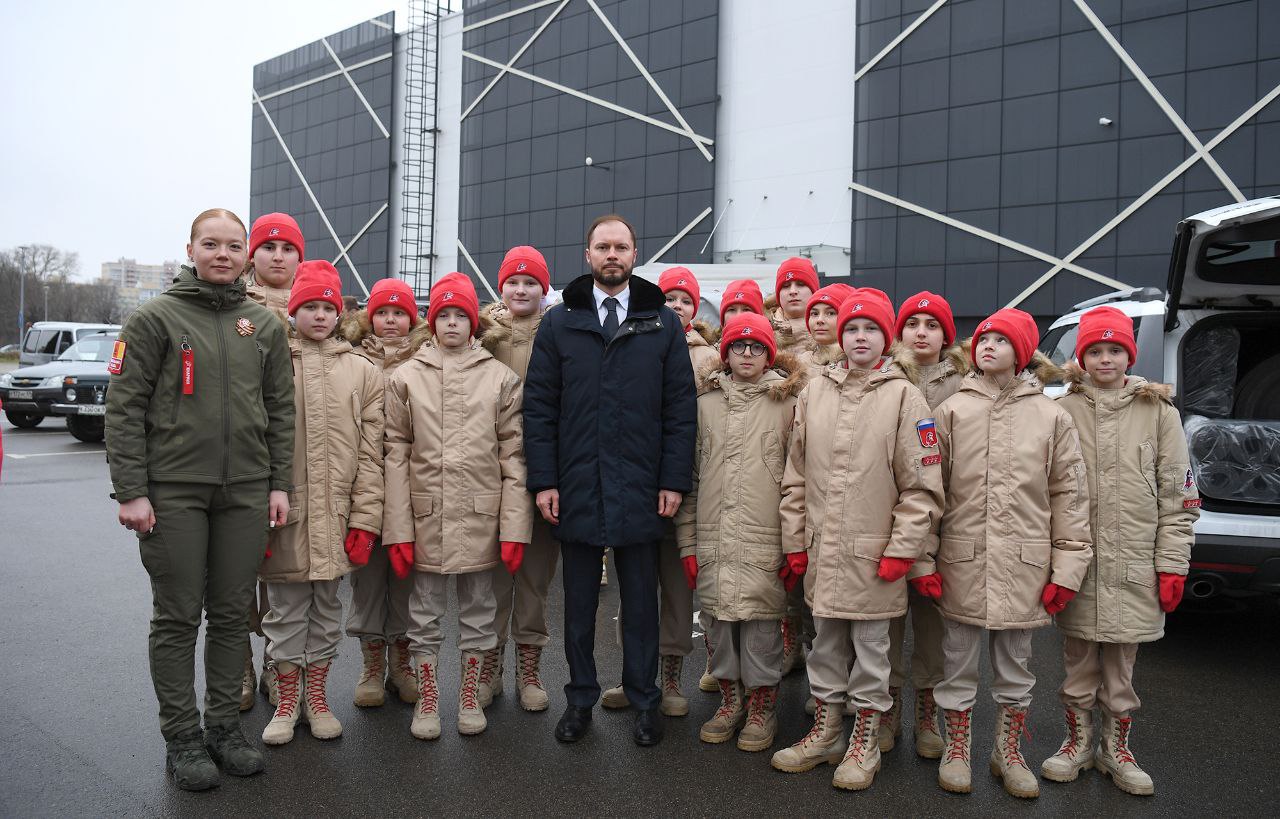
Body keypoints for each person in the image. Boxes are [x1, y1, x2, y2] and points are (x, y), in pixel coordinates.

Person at [106, 208, 294, 791]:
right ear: (190, 248)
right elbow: (124, 408)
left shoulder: (262, 325)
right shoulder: (153, 319)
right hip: (173, 493)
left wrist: (278, 482)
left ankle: (223, 730)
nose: (222, 254)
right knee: (178, 615)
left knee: (232, 614)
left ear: (245, 255)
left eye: (233, 246)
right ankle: (183, 739)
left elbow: (280, 412)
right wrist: (132, 491)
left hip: (244, 492)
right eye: (210, 244)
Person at [523, 214, 696, 747]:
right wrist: (545, 481)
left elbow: (680, 409)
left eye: (621, 246)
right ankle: (580, 700)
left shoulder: (661, 323)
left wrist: (673, 480)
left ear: (635, 254)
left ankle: (646, 701)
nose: (612, 254)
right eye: (603, 246)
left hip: (642, 486)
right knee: (578, 604)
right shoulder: (560, 322)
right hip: (576, 483)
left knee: (641, 603)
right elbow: (540, 408)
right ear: (589, 255)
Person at [913, 308, 1093, 799]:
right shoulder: (951, 411)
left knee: (1016, 667)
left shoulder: (1051, 416)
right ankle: (957, 750)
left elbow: (1070, 497)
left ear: (1024, 351)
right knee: (958, 662)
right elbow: (930, 489)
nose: (987, 345)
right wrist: (923, 559)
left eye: (1001, 339)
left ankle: (1007, 751)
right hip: (962, 560)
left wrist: (1068, 567)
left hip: (1024, 565)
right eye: (983, 338)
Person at [770, 289, 944, 791]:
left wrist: (902, 551)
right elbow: (796, 475)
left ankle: (864, 741)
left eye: (870, 328)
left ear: (886, 336)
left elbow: (923, 486)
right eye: (851, 328)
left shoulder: (906, 397)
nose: (859, 337)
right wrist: (796, 541)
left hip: (876, 557)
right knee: (825, 647)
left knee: (872, 654)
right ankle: (825, 733)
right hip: (824, 552)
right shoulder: (814, 392)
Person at [1042, 307, 1198, 796]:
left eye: (1114, 350)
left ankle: (1117, 748)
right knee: (1079, 659)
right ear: (1081, 356)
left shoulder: (1159, 413)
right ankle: (1077, 742)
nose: (1105, 359)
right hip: (1081, 564)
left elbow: (1178, 495)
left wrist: (1172, 563)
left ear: (1129, 355)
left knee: (1121, 665)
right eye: (1095, 350)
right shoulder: (1062, 411)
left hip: (1135, 563)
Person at [382, 272, 532, 740]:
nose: (451, 324)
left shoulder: (501, 378)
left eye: (460, 316)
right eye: (442, 315)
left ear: (473, 322)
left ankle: (470, 695)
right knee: (422, 614)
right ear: (431, 321)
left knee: (479, 612)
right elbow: (395, 454)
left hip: (481, 517)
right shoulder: (406, 377)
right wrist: (397, 529)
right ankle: (428, 699)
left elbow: (514, 456)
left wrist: (514, 528)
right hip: (424, 518)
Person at [259, 261, 385, 746]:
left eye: (326, 307)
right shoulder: (270, 362)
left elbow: (373, 455)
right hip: (283, 514)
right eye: (308, 306)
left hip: (337, 516)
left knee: (326, 609)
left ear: (339, 312)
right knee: (286, 608)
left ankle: (318, 695)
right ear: (293, 311)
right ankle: (286, 699)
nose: (317, 316)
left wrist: (365, 520)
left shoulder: (362, 371)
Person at [677, 313, 805, 752]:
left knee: (761, 630)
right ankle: (730, 700)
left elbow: (800, 479)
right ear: (725, 353)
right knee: (718, 624)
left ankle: (762, 706)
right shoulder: (704, 405)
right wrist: (688, 543)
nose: (746, 354)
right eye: (737, 346)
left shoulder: (788, 404)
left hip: (764, 539)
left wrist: (794, 545)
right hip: (714, 537)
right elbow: (690, 479)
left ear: (769, 353)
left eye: (756, 347)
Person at [601, 266, 718, 716]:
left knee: (675, 589)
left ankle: (670, 680)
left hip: (683, 489)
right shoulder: (635, 337)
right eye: (669, 298)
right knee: (632, 590)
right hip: (634, 485)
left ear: (695, 308)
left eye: (685, 300)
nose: (676, 307)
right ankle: (633, 675)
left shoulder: (709, 359)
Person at [882, 291, 968, 757]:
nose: (921, 332)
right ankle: (887, 708)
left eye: (931, 325)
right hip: (891, 516)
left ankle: (927, 713)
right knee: (888, 619)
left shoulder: (965, 383)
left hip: (949, 516)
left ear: (945, 334)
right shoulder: (886, 376)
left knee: (933, 625)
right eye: (912, 323)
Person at [338, 277, 427, 708]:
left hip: (414, 487)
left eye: (399, 313)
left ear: (411, 318)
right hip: (365, 483)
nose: (390, 321)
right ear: (368, 317)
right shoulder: (350, 358)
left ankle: (402, 663)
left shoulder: (429, 359)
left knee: (407, 577)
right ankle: (372, 665)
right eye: (382, 313)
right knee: (369, 578)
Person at [477, 246, 559, 712]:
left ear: (543, 288)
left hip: (545, 471)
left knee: (534, 579)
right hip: (492, 471)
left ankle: (530, 668)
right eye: (514, 281)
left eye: (531, 282)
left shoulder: (559, 331)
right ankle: (489, 667)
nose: (522, 289)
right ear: (501, 286)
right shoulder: (482, 336)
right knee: (493, 579)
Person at [241, 211, 304, 710]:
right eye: (269, 247)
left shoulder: (317, 307)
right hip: (242, 452)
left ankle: (273, 661)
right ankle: (237, 665)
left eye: (288, 249)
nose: (278, 257)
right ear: (252, 254)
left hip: (295, 452)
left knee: (280, 570)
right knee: (236, 569)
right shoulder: (232, 306)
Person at [766, 257, 820, 354]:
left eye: (801, 284)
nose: (793, 291)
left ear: (814, 291)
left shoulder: (835, 333)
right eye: (786, 286)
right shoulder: (762, 333)